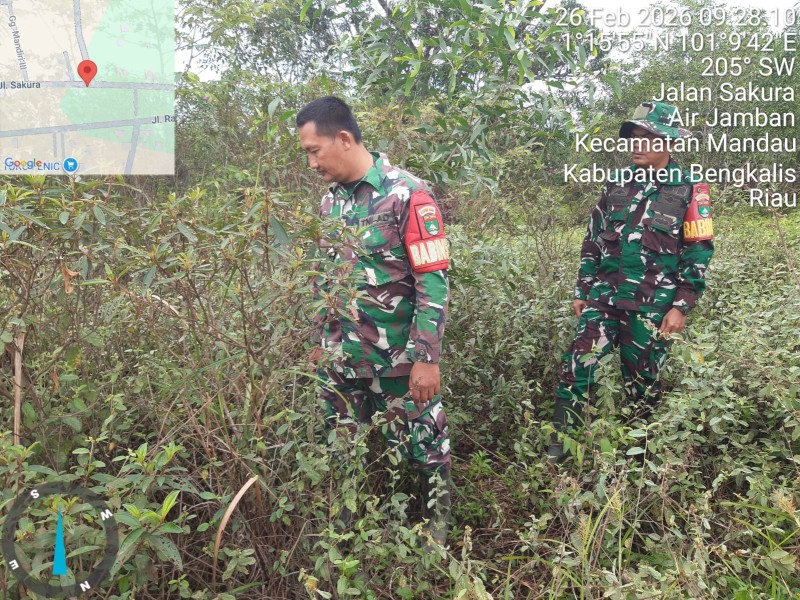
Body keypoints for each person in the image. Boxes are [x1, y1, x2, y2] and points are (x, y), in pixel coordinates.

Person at [297, 96, 452, 545]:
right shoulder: (329, 205)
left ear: (344, 139)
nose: (311, 163)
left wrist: (427, 357)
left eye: (313, 151)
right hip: (341, 358)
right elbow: (323, 278)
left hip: (399, 359)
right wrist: (318, 339)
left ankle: (434, 539)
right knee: (343, 448)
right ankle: (348, 537)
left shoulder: (408, 195)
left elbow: (433, 280)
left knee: (426, 445)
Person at [548, 101, 715, 463]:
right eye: (634, 138)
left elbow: (699, 251)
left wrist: (681, 305)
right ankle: (558, 453)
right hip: (604, 298)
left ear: (668, 141)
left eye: (648, 138)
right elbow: (593, 238)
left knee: (642, 383)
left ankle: (639, 462)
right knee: (577, 366)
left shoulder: (690, 188)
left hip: (652, 306)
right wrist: (584, 289)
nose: (638, 145)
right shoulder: (617, 184)